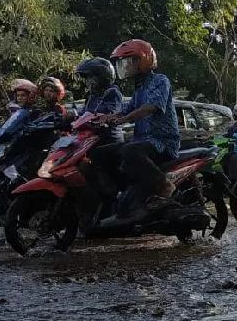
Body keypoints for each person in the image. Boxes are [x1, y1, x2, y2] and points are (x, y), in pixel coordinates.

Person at [98, 38, 179, 205]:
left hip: (162, 142)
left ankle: (164, 185)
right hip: (142, 140)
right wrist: (107, 117)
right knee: (100, 154)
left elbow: (151, 107)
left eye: (130, 61)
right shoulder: (139, 88)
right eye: (124, 62)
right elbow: (127, 109)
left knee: (129, 151)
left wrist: (123, 119)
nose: (126, 66)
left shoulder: (160, 80)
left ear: (143, 60)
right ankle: (118, 195)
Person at [74, 57, 124, 144]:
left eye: (90, 77)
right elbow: (85, 113)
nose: (88, 81)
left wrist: (97, 116)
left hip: (109, 138)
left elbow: (112, 112)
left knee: (96, 154)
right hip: (92, 137)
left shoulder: (112, 91)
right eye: (86, 78)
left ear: (102, 76)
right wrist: (73, 116)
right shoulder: (93, 95)